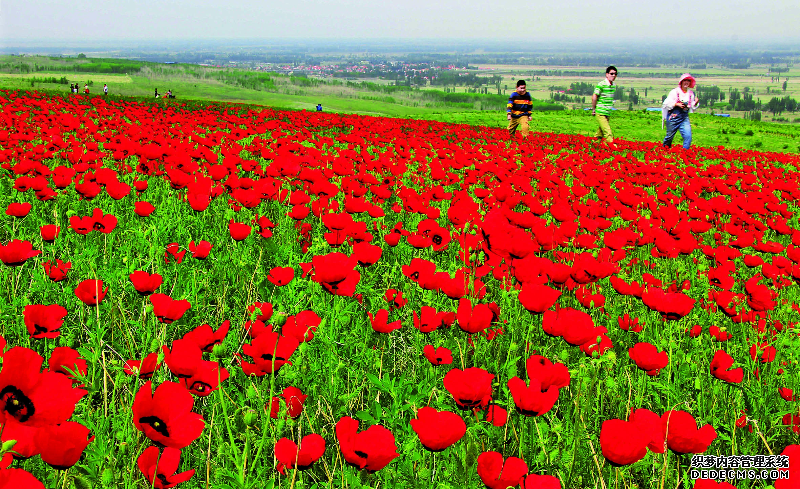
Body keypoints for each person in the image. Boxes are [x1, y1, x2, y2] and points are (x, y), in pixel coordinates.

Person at [662, 73, 700, 149]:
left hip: (684, 117)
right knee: (669, 136)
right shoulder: (675, 92)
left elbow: (691, 106)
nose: (686, 82)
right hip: (673, 117)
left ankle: (685, 153)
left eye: (688, 81)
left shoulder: (691, 94)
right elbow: (666, 104)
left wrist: (695, 103)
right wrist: (676, 104)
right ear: (681, 82)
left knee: (688, 136)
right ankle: (664, 150)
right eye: (685, 80)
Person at [591, 66, 617, 143]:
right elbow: (594, 96)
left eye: (615, 74)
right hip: (600, 112)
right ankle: (612, 147)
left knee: (600, 133)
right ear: (607, 74)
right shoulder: (601, 84)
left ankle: (593, 144)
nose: (613, 75)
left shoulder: (613, 86)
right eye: (611, 73)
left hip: (607, 112)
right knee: (607, 132)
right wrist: (594, 109)